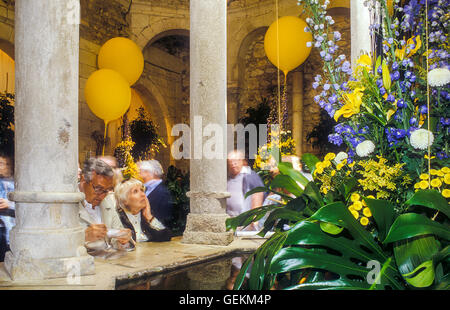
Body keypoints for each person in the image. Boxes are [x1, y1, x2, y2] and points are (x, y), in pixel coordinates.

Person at [78, 158, 131, 246]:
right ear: (83, 180)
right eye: (98, 189)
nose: (102, 196)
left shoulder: (107, 201)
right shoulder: (67, 204)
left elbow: (117, 233)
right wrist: (84, 237)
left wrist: (123, 239)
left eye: (107, 190)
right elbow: (53, 244)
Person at [115, 178, 172, 243]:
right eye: (135, 191)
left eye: (142, 190)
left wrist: (149, 217)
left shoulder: (146, 215)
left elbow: (166, 236)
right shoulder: (118, 218)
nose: (142, 194)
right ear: (124, 200)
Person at [226, 149, 265, 229]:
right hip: (229, 220)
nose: (234, 163)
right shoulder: (226, 177)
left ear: (242, 161)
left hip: (245, 222)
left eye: (237, 160)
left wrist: (254, 221)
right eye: (230, 161)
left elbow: (258, 195)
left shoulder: (250, 175)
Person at [137, 160, 173, 228]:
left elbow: (165, 220)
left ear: (154, 172)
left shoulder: (163, 193)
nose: (140, 172)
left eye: (144, 170)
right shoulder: (144, 189)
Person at [0, 153, 14, 262]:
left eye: (6, 164)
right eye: (1, 163)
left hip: (11, 231)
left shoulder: (17, 182)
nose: (2, 167)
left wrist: (9, 204)